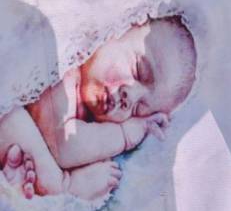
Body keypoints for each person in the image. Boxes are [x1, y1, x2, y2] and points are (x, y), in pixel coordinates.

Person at [0, 17, 197, 201]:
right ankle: (63, 187)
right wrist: (125, 135)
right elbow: (65, 146)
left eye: (137, 109)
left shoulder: (88, 113)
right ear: (118, 30)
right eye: (137, 70)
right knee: (12, 118)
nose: (129, 97)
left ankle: (18, 183)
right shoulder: (66, 67)